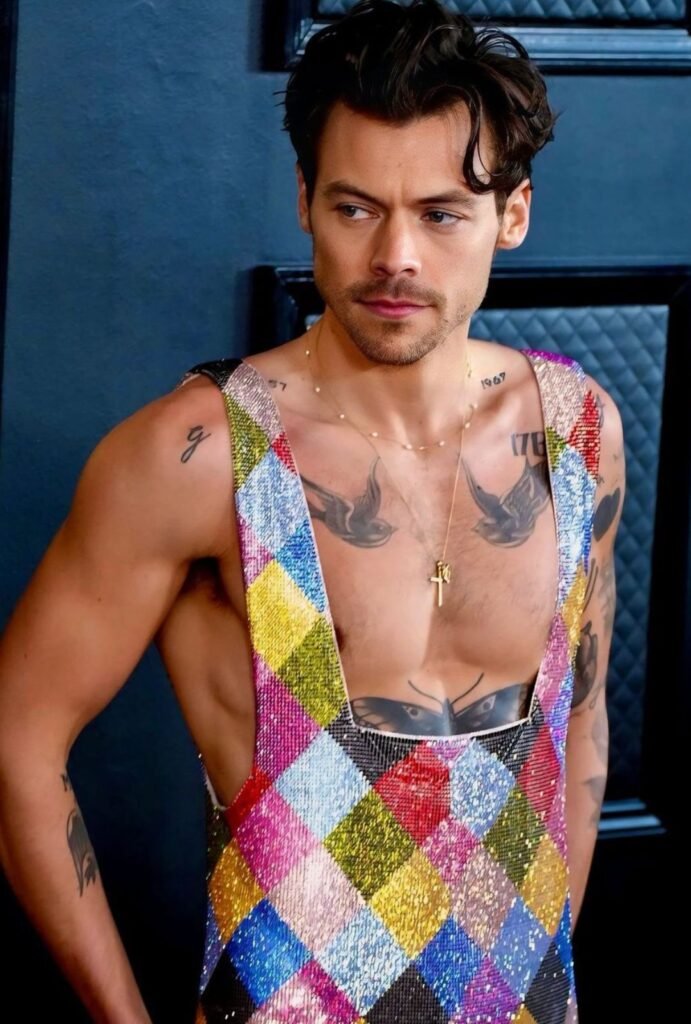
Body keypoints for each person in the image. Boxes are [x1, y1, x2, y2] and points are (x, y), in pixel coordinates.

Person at [0, 1, 625, 1021]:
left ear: (512, 213)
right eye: (355, 208)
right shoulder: (198, 454)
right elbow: (16, 740)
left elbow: (580, 726)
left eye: (440, 213)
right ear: (303, 200)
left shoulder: (577, 431)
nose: (395, 257)